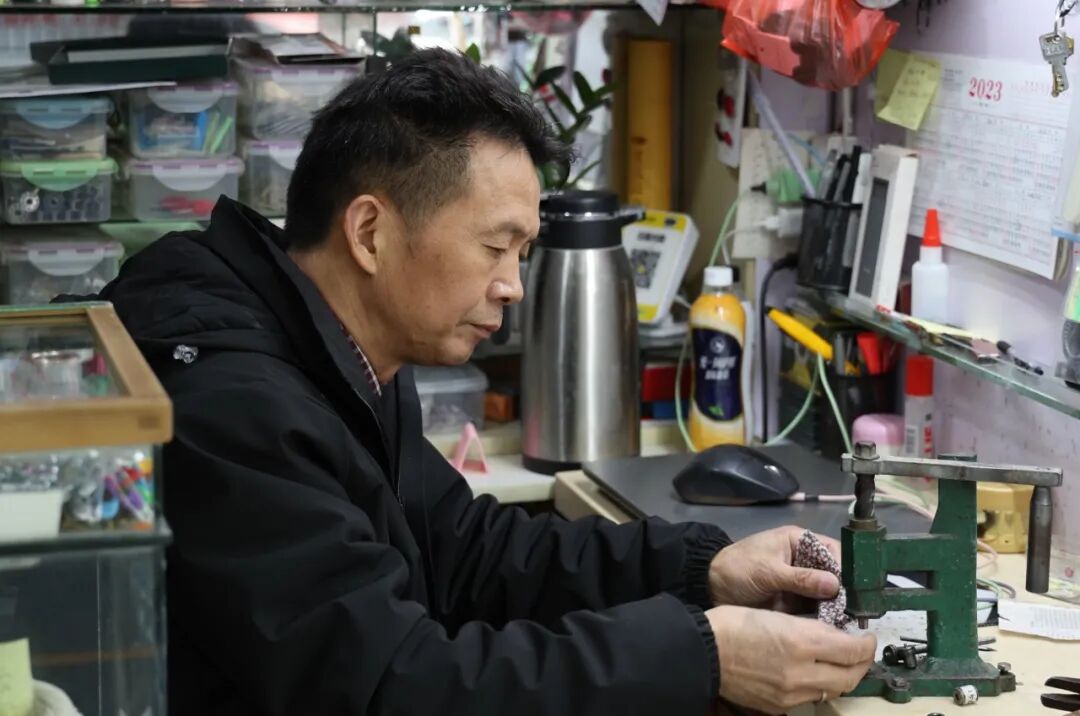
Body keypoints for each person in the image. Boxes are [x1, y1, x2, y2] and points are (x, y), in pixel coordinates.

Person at [97, 48, 876, 715]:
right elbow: (395, 687)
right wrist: (699, 654)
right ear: (369, 232)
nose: (512, 286)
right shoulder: (237, 411)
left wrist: (701, 569)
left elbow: (464, 553)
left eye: (523, 253)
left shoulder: (346, 354)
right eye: (495, 247)